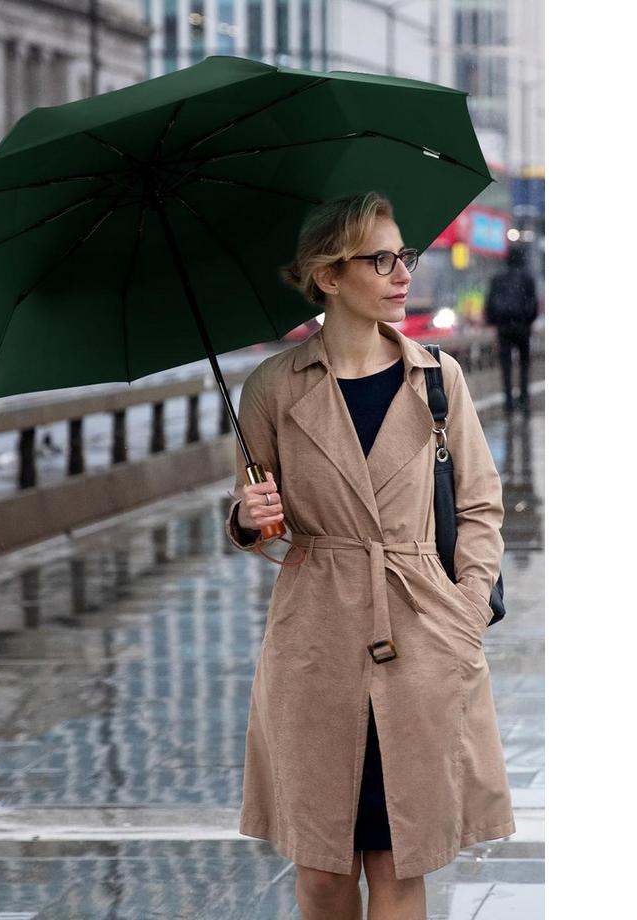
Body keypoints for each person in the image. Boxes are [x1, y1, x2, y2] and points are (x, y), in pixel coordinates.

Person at [224, 191, 514, 920]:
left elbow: (480, 504)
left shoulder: (436, 379)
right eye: (379, 259)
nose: (401, 274)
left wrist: (467, 607)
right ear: (327, 275)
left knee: (398, 860)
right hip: (316, 637)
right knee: (322, 866)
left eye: (403, 256)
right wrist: (247, 516)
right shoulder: (272, 389)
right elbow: (259, 521)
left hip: (422, 633)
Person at [484, 244, 539, 415]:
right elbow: (534, 304)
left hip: (504, 328)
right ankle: (524, 401)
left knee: (506, 366)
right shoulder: (527, 278)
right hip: (522, 328)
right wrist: (527, 321)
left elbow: (489, 303)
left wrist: (495, 322)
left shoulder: (498, 279)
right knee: (524, 365)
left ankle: (508, 403)